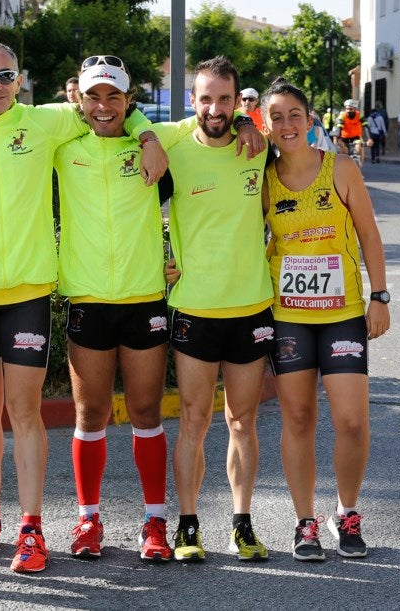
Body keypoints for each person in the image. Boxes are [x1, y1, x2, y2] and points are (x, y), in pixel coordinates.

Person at [0, 42, 170, 575]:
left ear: (20, 80)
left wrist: (149, 132)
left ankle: (31, 526)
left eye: (5, 76)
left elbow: (107, 106)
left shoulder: (47, 124)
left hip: (28, 292)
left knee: (23, 411)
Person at [260, 78, 390, 562]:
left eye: (295, 114)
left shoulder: (342, 169)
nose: (287, 124)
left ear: (310, 120)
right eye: (277, 116)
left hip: (343, 315)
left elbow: (369, 235)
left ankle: (347, 511)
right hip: (288, 317)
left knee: (352, 422)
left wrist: (379, 296)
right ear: (265, 124)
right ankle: (305, 521)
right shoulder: (263, 177)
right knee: (297, 417)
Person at [55, 56, 173, 563]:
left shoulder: (152, 143)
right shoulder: (60, 145)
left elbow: (211, 122)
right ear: (77, 98)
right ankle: (88, 520)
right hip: (87, 298)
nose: (103, 107)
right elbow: (7, 112)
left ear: (129, 100)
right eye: (93, 96)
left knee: (146, 411)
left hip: (144, 296)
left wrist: (242, 124)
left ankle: (155, 520)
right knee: (90, 412)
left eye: (114, 97)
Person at [157, 56, 273, 563]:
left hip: (250, 305)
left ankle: (242, 525)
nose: (216, 109)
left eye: (226, 100)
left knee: (243, 421)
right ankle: (187, 525)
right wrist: (160, 256)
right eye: (206, 98)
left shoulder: (258, 146)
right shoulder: (173, 144)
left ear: (237, 101)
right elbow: (123, 134)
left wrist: (251, 122)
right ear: (193, 100)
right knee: (193, 419)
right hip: (194, 307)